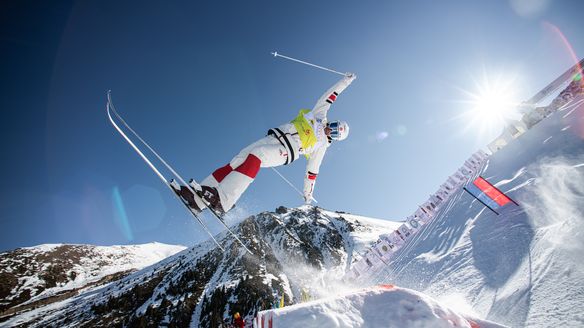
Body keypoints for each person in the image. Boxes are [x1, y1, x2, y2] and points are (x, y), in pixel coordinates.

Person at [175, 73, 356, 214]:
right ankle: (198, 199)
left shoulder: (322, 145)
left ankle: (224, 200)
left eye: (333, 132)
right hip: (274, 137)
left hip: (286, 151)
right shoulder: (319, 115)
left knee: (258, 156)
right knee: (238, 160)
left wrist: (308, 193)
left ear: (335, 137)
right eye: (333, 126)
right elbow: (330, 95)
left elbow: (312, 171)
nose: (329, 129)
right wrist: (346, 81)